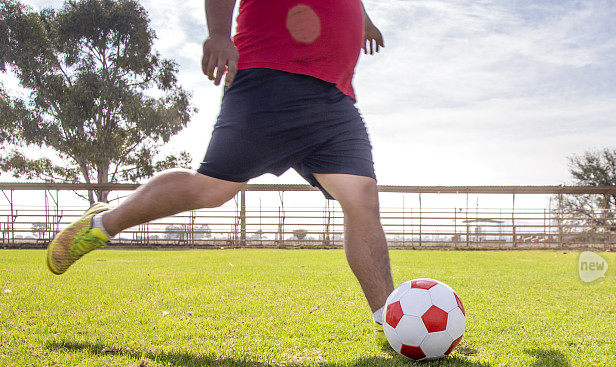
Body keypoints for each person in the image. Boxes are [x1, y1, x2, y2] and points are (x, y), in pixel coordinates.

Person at [46, 0, 394, 326]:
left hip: (334, 97)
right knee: (212, 189)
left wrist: (363, 21)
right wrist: (218, 34)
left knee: (361, 196)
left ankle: (390, 319)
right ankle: (102, 225)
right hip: (269, 78)